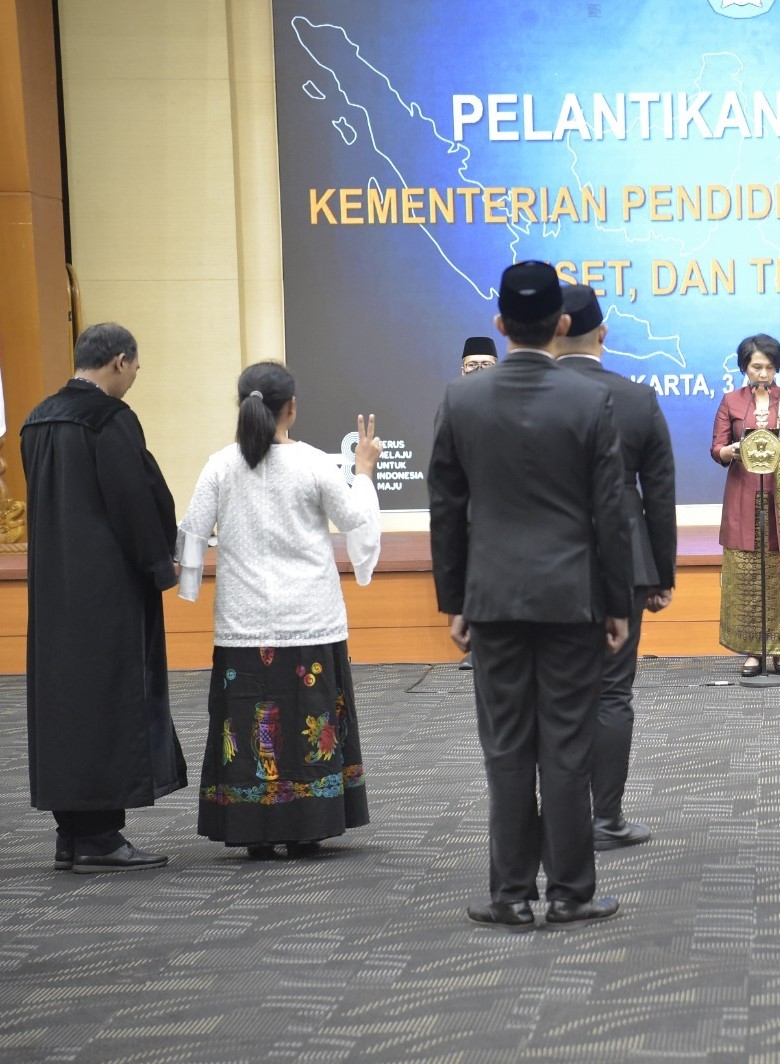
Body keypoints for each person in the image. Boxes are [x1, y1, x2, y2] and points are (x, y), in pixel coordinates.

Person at [429, 260, 633, 931]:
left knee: (507, 748)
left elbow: (445, 508)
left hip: (492, 601)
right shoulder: (588, 401)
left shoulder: (460, 401)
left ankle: (511, 892)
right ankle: (571, 891)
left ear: (498, 325)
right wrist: (617, 605)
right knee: (567, 747)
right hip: (572, 598)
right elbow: (610, 512)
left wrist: (453, 602)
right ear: (564, 324)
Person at [176, 362, 382, 859]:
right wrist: (364, 469)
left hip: (243, 624)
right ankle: (308, 824)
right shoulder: (313, 462)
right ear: (292, 407)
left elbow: (192, 532)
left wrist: (187, 586)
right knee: (309, 717)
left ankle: (254, 828)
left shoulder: (221, 464)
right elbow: (354, 517)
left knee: (246, 722)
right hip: (309, 617)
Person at [20, 322, 186, 872]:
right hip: (107, 592)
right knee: (111, 703)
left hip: (53, 593)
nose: (137, 375)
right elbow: (133, 500)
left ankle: (72, 831)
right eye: (136, 366)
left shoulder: (35, 420)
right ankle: (102, 838)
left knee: (65, 708)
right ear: (118, 361)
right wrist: (161, 566)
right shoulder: (109, 420)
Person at [551, 283, 677, 851]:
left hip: (543, 564)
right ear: (604, 333)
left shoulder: (524, 393)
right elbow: (661, 494)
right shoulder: (637, 398)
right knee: (611, 693)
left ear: (555, 330)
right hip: (621, 563)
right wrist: (662, 574)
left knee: (551, 695)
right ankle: (606, 819)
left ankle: (558, 820)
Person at [711, 334, 780, 677]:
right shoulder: (731, 401)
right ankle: (753, 651)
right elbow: (717, 448)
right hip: (744, 495)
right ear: (744, 367)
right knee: (748, 572)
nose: (763, 373)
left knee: (777, 569)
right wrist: (732, 451)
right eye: (756, 366)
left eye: (769, 367)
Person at [456, 336, 497, 673]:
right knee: (473, 578)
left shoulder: (512, 402)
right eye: (473, 365)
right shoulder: (452, 404)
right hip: (467, 508)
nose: (479, 370)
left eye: (486, 365)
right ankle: (477, 649)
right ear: (462, 369)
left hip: (505, 509)